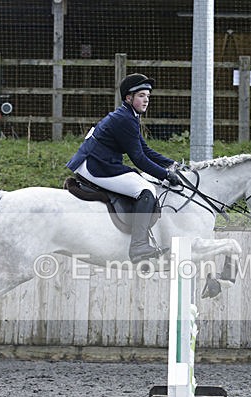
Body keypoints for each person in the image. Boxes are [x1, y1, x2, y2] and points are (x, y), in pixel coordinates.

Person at [66, 73, 182, 263]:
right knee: (146, 190)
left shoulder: (129, 115)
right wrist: (166, 175)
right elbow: (138, 159)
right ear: (129, 98)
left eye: (148, 96)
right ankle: (138, 246)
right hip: (96, 166)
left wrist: (171, 164)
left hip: (99, 161)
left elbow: (144, 149)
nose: (146, 100)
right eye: (141, 96)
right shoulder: (125, 119)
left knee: (140, 181)